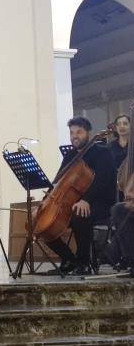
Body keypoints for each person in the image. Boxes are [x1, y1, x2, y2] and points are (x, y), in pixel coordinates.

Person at [45, 117, 117, 275]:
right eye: (72, 132)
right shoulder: (70, 155)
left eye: (79, 132)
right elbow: (60, 180)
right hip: (73, 202)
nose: (74, 136)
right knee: (43, 223)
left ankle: (84, 263)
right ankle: (69, 259)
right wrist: (52, 194)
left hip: (101, 202)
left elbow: (102, 181)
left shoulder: (102, 152)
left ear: (88, 133)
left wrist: (86, 200)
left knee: (80, 215)